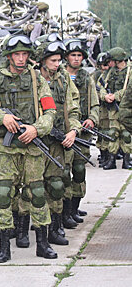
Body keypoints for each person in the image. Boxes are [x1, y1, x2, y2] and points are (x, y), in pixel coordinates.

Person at [0, 34, 57, 263]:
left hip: (31, 146)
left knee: (37, 193)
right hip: (5, 147)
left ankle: (42, 244)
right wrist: (1, 116)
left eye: (24, 54)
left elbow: (50, 111)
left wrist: (36, 129)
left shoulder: (37, 79)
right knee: (3, 195)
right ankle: (3, 247)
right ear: (9, 56)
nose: (21, 59)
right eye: (16, 55)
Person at [36, 39, 82, 246]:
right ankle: (26, 231)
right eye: (53, 60)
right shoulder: (32, 78)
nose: (57, 64)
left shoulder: (63, 79)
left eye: (59, 60)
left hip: (58, 141)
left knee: (56, 185)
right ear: (43, 60)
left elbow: (72, 108)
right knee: (33, 189)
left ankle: (54, 229)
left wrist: (73, 130)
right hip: (34, 140)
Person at [63, 39, 99, 223]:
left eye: (79, 56)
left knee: (78, 170)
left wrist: (92, 119)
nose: (76, 59)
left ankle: (73, 208)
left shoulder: (87, 77)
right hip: (64, 132)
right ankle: (63, 211)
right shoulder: (60, 76)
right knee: (61, 173)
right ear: (66, 57)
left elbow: (94, 102)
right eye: (73, 55)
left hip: (82, 134)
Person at [98, 47, 132, 169]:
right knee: (112, 134)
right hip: (111, 109)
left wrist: (116, 96)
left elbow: (129, 89)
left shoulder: (130, 71)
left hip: (126, 109)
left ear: (117, 60)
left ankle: (127, 160)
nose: (109, 63)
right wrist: (105, 96)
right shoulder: (109, 73)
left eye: (111, 61)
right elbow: (99, 86)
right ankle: (111, 160)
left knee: (126, 134)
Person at [93, 52, 112, 167]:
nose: (105, 68)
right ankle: (104, 154)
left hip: (111, 107)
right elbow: (95, 90)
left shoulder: (110, 75)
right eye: (103, 66)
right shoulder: (96, 76)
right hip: (101, 107)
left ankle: (111, 154)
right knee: (102, 131)